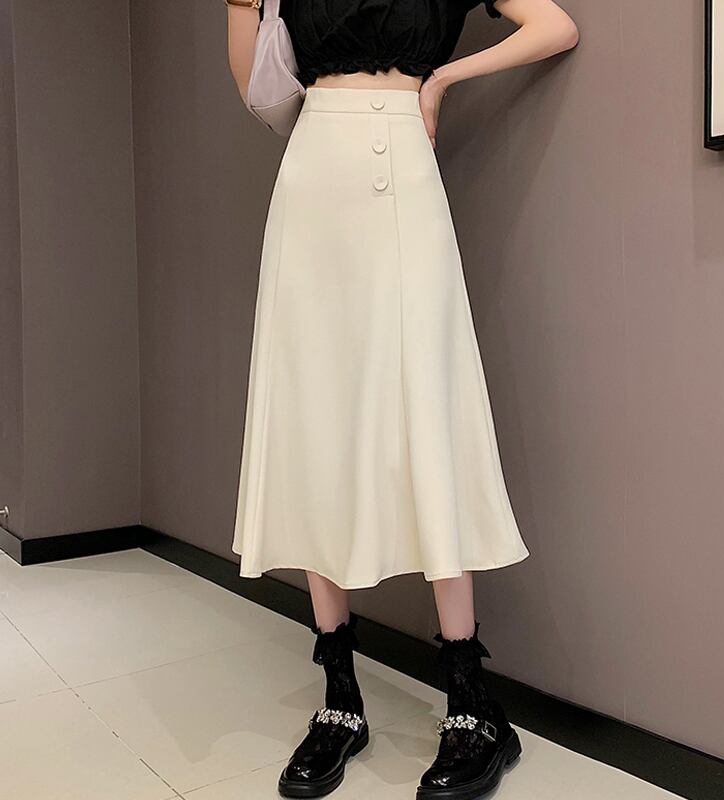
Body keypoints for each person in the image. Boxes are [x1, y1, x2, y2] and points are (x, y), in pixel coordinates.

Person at [225, 1, 579, 797]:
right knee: (316, 415)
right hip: (312, 174)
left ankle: (472, 705)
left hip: (404, 168)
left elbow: (554, 26)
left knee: (429, 409)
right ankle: (340, 700)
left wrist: (445, 79)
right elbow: (256, 86)